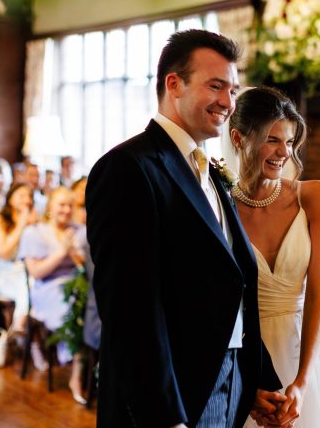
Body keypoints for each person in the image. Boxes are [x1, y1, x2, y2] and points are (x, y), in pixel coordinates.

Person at [86, 30, 286, 428]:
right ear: (173, 85)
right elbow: (129, 308)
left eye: (232, 89)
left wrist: (253, 380)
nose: (228, 102)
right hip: (174, 394)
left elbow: (230, 285)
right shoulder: (130, 167)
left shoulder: (209, 172)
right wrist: (165, 416)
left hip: (227, 379)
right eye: (215, 86)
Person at [228, 87, 320, 428]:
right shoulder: (221, 206)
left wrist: (301, 381)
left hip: (306, 349)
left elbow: (317, 292)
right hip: (247, 356)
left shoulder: (313, 196)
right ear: (238, 138)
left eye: (289, 141)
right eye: (272, 140)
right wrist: (246, 382)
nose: (284, 152)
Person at [19, 186, 86, 404]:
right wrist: (61, 252)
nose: (66, 210)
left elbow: (87, 265)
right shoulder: (34, 232)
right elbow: (36, 272)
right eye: (61, 204)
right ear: (49, 207)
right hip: (47, 289)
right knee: (75, 311)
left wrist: (76, 254)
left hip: (78, 284)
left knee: (95, 307)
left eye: (70, 205)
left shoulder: (80, 230)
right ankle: (77, 376)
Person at [0, 183, 38, 333]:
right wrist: (21, 225)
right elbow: (3, 253)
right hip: (4, 274)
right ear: (10, 199)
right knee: (28, 285)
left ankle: (32, 339)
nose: (26, 200)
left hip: (27, 270)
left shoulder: (34, 220)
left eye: (29, 196)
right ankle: (19, 325)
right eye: (21, 196)